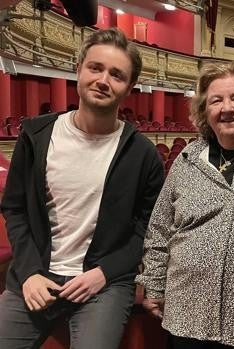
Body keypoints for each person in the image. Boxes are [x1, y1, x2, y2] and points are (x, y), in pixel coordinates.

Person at [0, 27, 165, 348]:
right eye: (95, 68)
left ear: (129, 87)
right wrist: (31, 272)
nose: (103, 80)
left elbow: (149, 228)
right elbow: (15, 209)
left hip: (103, 284)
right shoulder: (35, 135)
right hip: (34, 277)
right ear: (78, 70)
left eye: (117, 75)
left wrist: (105, 272)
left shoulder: (142, 153)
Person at [136, 61, 234, 349]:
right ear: (204, 111)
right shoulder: (188, 158)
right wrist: (154, 283)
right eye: (216, 100)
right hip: (187, 318)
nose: (227, 108)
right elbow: (160, 228)